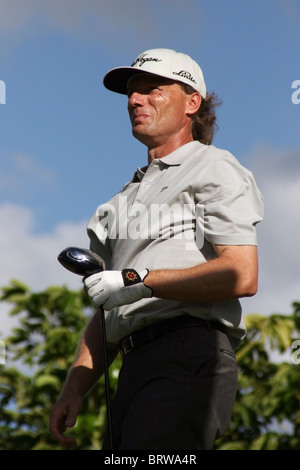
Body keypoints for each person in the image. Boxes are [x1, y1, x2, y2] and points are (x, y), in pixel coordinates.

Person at [49, 48, 264, 450]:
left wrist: (138, 280)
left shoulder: (213, 166)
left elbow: (241, 273)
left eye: (152, 89)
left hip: (189, 352)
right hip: (133, 367)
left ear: (192, 102)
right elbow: (108, 310)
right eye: (132, 93)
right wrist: (74, 387)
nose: (134, 100)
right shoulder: (118, 202)